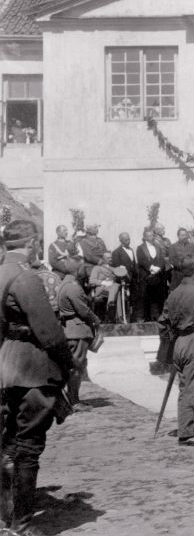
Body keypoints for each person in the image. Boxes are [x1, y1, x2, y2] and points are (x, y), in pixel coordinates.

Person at [0, 221, 75, 535]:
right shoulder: (25, 277)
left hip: (5, 366)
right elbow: (49, 332)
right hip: (31, 370)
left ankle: (4, 518)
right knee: (27, 447)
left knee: (6, 445)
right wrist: (70, 363)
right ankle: (22, 524)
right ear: (31, 242)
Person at [160, 259, 194, 446]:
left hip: (178, 342)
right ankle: (187, 433)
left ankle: (191, 425)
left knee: (185, 386)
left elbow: (163, 321)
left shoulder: (173, 294)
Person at [57, 259, 101, 410]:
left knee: (72, 366)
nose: (85, 271)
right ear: (76, 271)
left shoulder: (63, 284)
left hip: (69, 329)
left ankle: (70, 399)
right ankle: (74, 401)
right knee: (77, 366)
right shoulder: (74, 288)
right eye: (82, 269)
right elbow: (83, 310)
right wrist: (96, 320)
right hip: (77, 330)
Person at [137, 228, 169, 321]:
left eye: (152, 235)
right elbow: (141, 260)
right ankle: (143, 317)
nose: (152, 237)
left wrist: (158, 268)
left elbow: (162, 260)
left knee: (157, 296)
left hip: (157, 275)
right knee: (145, 296)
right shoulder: (140, 248)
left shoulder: (158, 247)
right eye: (149, 236)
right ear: (145, 237)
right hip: (146, 275)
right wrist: (151, 268)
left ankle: (157, 316)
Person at [111, 232, 141, 322]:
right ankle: (124, 318)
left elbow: (134, 263)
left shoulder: (131, 250)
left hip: (133, 279)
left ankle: (133, 318)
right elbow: (117, 267)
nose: (128, 241)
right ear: (121, 240)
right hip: (124, 280)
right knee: (124, 300)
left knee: (134, 298)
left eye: (129, 239)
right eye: (126, 240)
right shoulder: (116, 252)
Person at [89, 252, 126, 322]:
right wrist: (104, 282)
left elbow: (124, 275)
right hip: (101, 290)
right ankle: (119, 317)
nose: (110, 259)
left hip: (112, 290)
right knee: (116, 287)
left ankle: (111, 305)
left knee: (116, 287)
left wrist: (123, 269)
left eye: (111, 257)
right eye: (108, 258)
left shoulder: (114, 268)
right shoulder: (97, 268)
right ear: (103, 259)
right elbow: (91, 281)